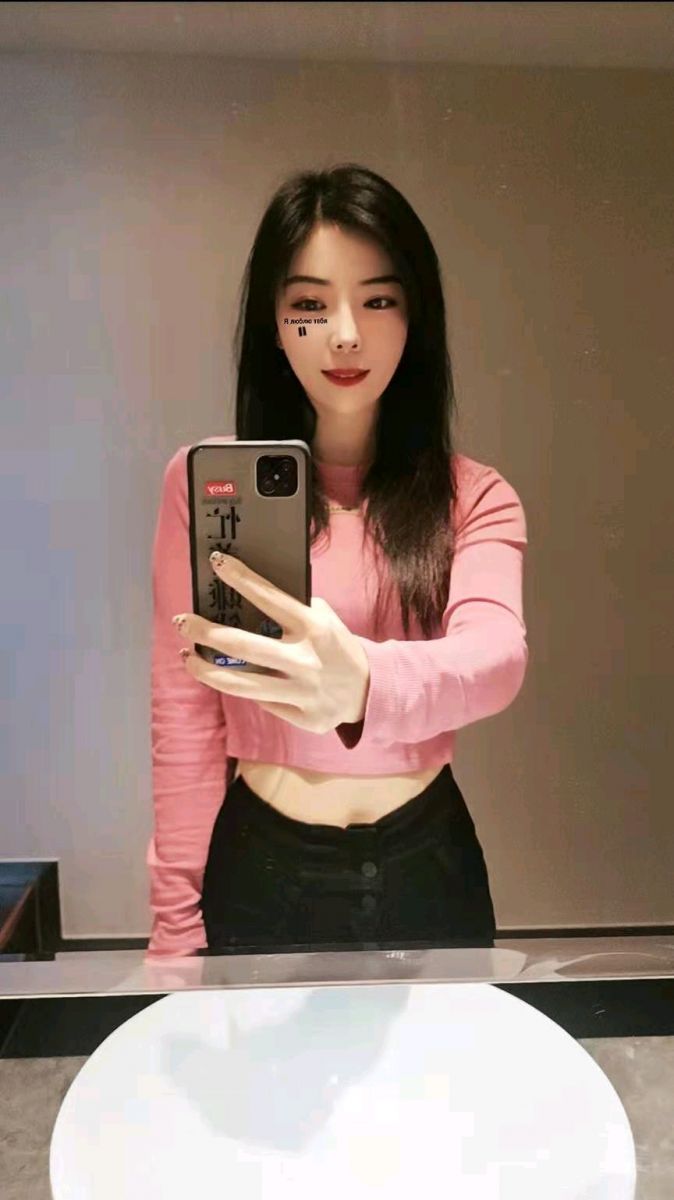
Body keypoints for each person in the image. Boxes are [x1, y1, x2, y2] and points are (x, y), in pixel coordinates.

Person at [145, 163, 528, 960]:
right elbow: (184, 714)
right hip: (261, 865)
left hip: (427, 863)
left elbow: (496, 659)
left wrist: (360, 685)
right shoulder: (203, 486)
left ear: (415, 319)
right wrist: (176, 928)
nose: (346, 333)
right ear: (274, 324)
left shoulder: (474, 496)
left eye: (379, 300)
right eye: (311, 305)